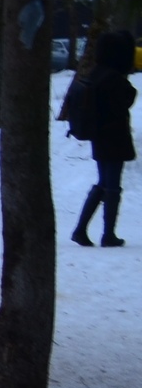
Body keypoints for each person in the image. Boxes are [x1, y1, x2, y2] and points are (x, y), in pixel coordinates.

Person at [71, 29, 135, 247]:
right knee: (112, 185)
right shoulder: (114, 78)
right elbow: (125, 100)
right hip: (114, 136)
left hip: (99, 136)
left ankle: (81, 229)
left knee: (103, 183)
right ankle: (108, 233)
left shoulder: (96, 73)